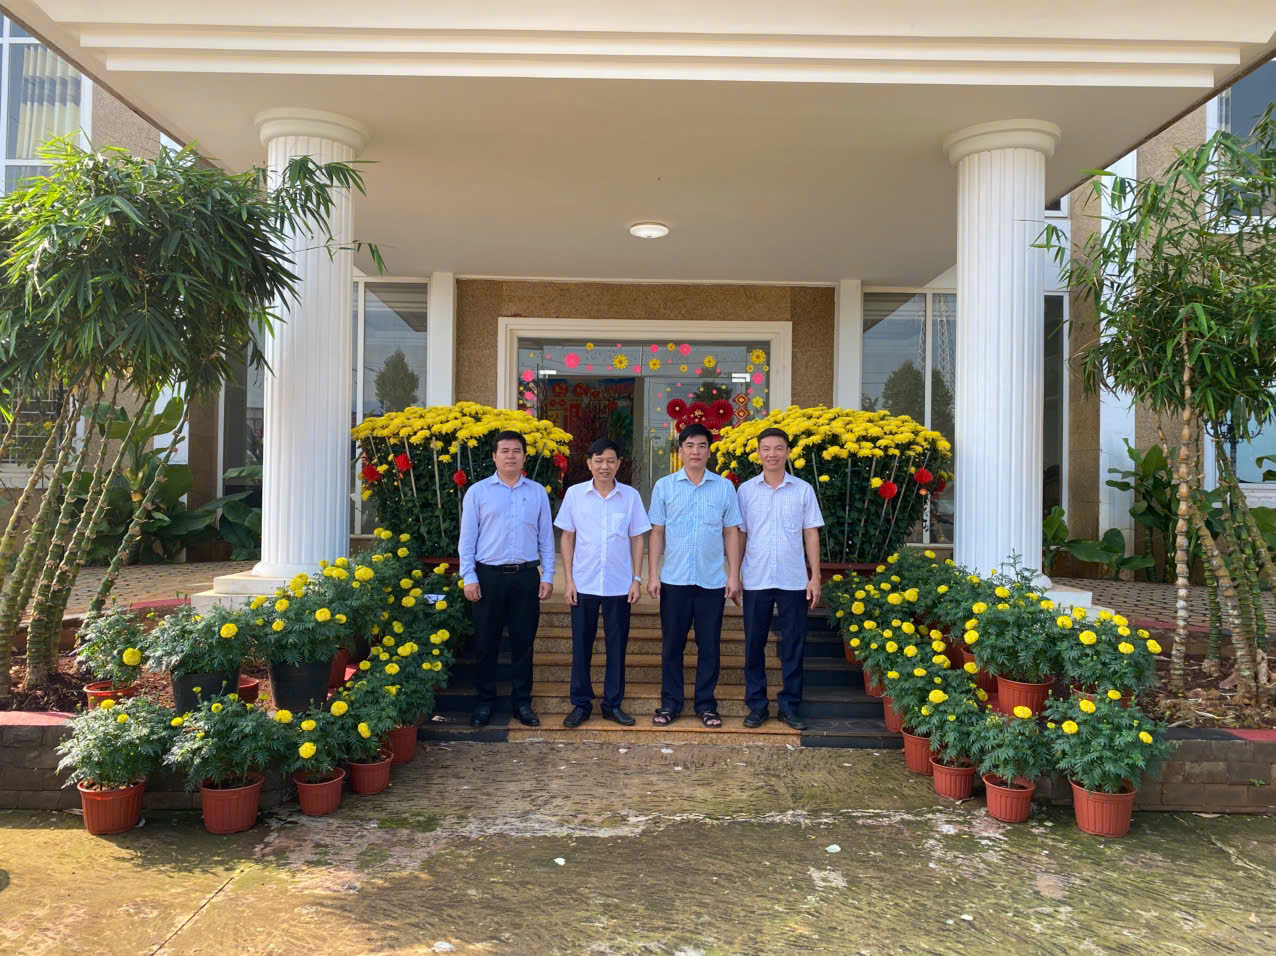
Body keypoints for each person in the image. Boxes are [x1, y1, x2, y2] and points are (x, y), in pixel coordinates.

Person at [647, 422, 742, 728]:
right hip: (674, 580)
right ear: (680, 450)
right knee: (672, 647)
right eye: (689, 446)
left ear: (709, 451)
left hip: (711, 581)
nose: (696, 451)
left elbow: (731, 532)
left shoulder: (724, 487)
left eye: (702, 446)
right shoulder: (664, 486)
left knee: (709, 647)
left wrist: (734, 575)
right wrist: (652, 574)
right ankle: (670, 704)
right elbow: (657, 532)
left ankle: (706, 705)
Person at [459, 430, 555, 728]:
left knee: (523, 644)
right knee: (485, 643)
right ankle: (484, 703)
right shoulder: (478, 492)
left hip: (525, 577)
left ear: (524, 456)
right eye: (505, 451)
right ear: (494, 456)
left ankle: (522, 704)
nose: (510, 456)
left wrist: (548, 575)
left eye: (516, 451)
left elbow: (546, 538)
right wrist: (469, 576)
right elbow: (467, 539)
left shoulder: (537, 492)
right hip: (488, 577)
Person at [554, 438, 651, 727]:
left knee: (617, 647)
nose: (604, 466)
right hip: (583, 585)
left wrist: (637, 579)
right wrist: (568, 580)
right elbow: (567, 538)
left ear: (619, 463)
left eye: (610, 460)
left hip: (619, 586)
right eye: (598, 461)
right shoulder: (575, 495)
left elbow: (637, 538)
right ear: (589, 464)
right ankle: (581, 704)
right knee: (581, 646)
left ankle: (612, 704)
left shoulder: (630, 496)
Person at [735, 427, 824, 730]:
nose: (772, 454)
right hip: (756, 579)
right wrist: (735, 574)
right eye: (766, 448)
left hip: (793, 580)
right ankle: (756, 706)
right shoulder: (746, 491)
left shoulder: (803, 490)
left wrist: (815, 577)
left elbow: (811, 533)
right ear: (758, 453)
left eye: (778, 448)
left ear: (788, 452)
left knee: (794, 645)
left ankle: (789, 707)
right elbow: (741, 535)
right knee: (754, 645)